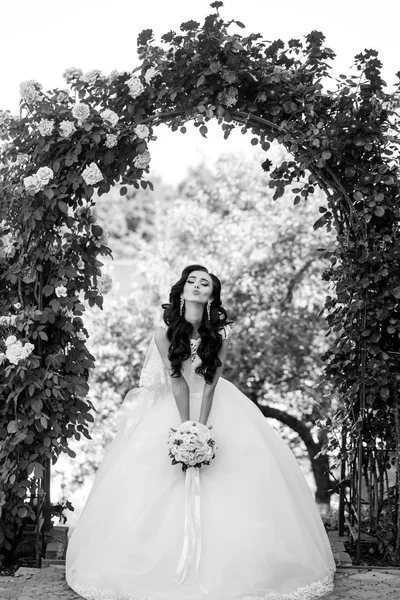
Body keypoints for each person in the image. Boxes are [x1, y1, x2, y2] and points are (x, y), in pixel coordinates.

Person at [66, 264, 335, 600]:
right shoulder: (163, 334)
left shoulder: (218, 337)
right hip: (173, 406)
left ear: (211, 295)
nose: (196, 286)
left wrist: (202, 431)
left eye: (203, 283)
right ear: (181, 292)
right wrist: (184, 428)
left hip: (216, 405)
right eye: (191, 281)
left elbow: (209, 385)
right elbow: (176, 381)